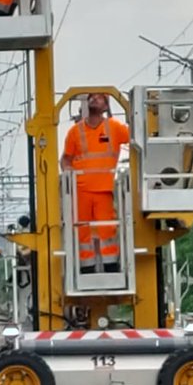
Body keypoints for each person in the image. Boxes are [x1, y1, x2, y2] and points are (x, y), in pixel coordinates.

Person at [61, 93, 130, 273]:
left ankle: (111, 268)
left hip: (104, 190)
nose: (94, 99)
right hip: (81, 190)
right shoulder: (75, 131)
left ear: (106, 107)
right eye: (92, 97)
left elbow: (135, 138)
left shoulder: (114, 127)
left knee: (107, 231)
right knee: (83, 232)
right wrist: (68, 173)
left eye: (100, 98)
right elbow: (66, 159)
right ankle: (87, 269)